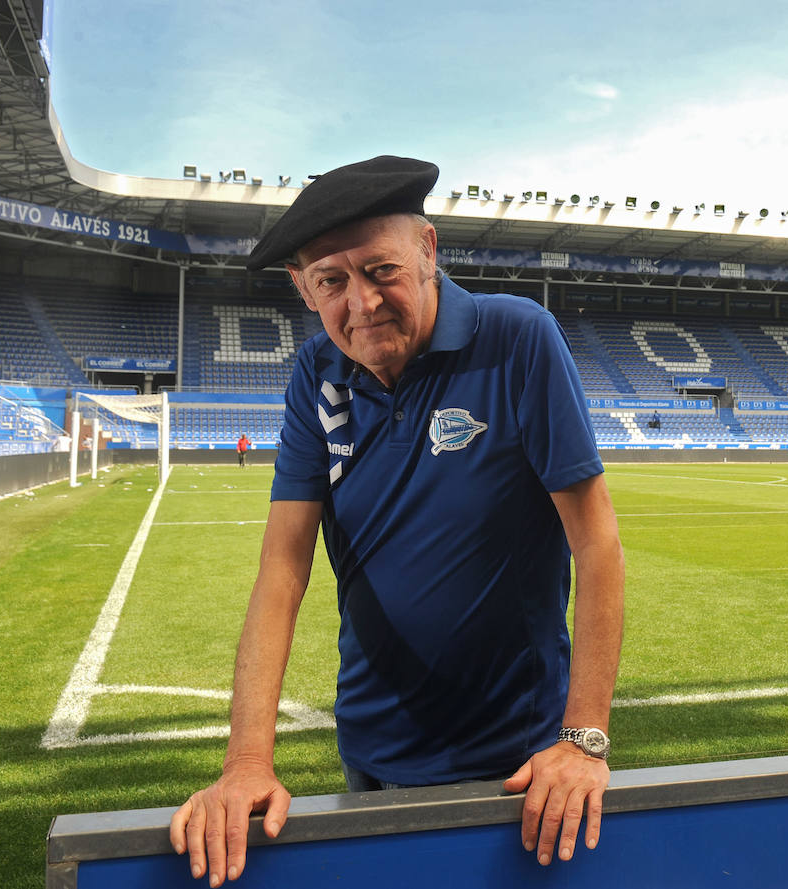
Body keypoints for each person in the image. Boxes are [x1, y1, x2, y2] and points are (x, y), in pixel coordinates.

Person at [169, 156, 625, 887]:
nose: (363, 302)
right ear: (302, 288)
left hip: (518, 767)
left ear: (429, 250)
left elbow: (596, 544)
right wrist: (248, 760)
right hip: (370, 755)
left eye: (381, 269)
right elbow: (283, 569)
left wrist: (583, 740)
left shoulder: (518, 340)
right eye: (332, 280)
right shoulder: (314, 373)